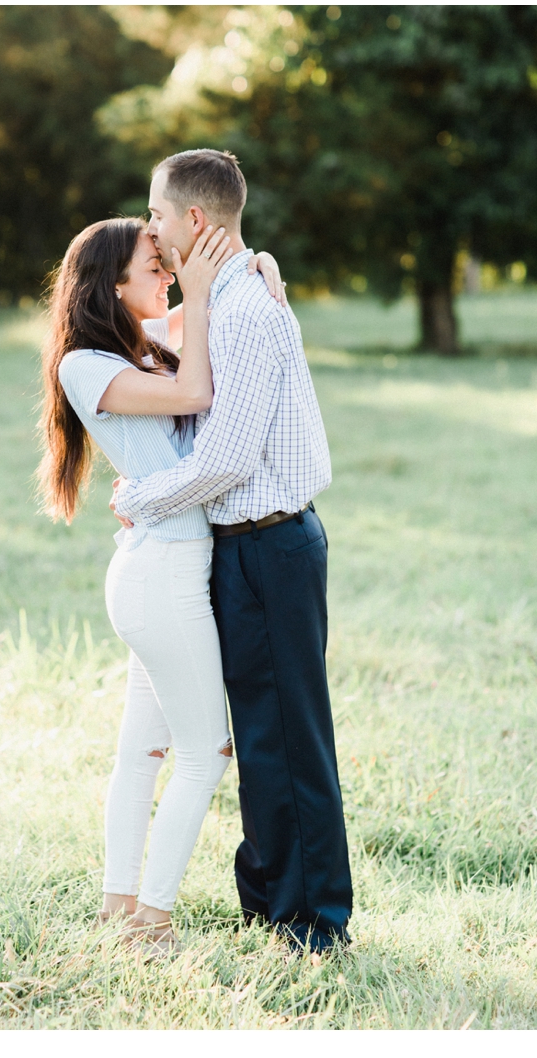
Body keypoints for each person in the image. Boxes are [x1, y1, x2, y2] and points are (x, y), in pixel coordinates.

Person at [111, 149, 352, 954]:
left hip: (272, 543)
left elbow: (226, 459)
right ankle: (272, 902)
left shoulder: (248, 313)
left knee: (291, 734)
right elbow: (113, 326)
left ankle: (316, 920)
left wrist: (137, 500)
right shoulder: (222, 302)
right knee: (259, 731)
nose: (150, 224)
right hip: (237, 548)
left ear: (197, 222)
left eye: (157, 211)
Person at [37, 217, 287, 952]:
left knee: (142, 753)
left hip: (163, 568)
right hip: (162, 576)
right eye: (156, 267)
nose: (171, 276)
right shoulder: (86, 364)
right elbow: (197, 388)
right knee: (206, 752)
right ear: (113, 285)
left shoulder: (133, 344)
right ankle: (152, 918)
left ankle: (121, 905)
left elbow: (214, 307)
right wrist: (205, 298)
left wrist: (259, 261)